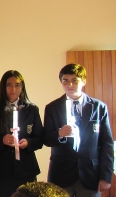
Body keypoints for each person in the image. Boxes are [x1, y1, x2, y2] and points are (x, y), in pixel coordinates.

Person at [43, 63, 114, 197]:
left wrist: (106, 175)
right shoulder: (52, 108)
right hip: (60, 175)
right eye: (66, 81)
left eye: (74, 80)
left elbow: (107, 144)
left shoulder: (99, 107)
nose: (70, 85)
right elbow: (46, 139)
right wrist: (59, 133)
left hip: (91, 175)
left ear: (84, 81)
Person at [0, 70, 44, 197]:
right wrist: (2, 140)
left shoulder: (32, 109)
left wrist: (28, 142)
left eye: (17, 85)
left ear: (22, 87)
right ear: (3, 86)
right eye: (9, 85)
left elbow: (40, 138)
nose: (13, 89)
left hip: (26, 168)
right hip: (1, 169)